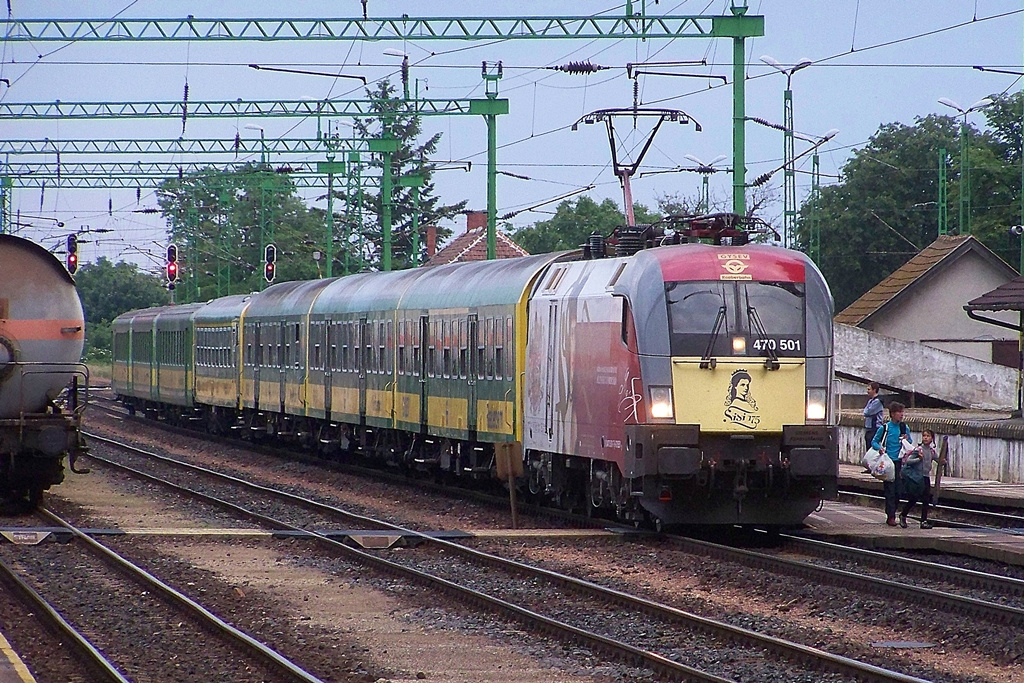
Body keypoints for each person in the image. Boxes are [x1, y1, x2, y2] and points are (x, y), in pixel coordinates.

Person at [872, 401, 912, 527]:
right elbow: (874, 441)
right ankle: (890, 516)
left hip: (900, 462)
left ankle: (893, 512)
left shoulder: (904, 427)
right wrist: (880, 448)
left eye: (902, 412)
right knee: (890, 490)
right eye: (899, 412)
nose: (901, 415)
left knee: (898, 491)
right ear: (892, 414)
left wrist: (906, 440)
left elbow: (909, 441)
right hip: (888, 462)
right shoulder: (885, 428)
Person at [899, 429, 937, 529]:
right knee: (914, 498)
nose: (925, 438)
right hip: (917, 478)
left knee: (926, 499)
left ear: (932, 438)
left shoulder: (932, 451)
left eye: (928, 436)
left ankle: (923, 521)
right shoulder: (918, 450)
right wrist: (919, 459)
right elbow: (908, 461)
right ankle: (903, 515)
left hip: (926, 477)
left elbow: (938, 460)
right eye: (924, 436)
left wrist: (943, 461)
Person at [863, 382, 884, 452]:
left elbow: (867, 412)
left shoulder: (877, 401)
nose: (867, 391)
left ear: (874, 390)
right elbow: (865, 412)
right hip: (869, 428)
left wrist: (866, 411)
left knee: (873, 450)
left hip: (875, 429)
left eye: (869, 389)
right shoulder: (870, 401)